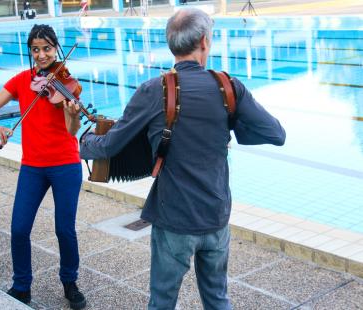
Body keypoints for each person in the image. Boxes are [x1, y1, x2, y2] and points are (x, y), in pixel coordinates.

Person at [78, 8, 285, 310]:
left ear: (171, 43)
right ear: (204, 41)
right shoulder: (228, 87)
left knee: (162, 301)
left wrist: (82, 141)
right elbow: (276, 133)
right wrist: (232, 125)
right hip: (215, 217)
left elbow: (109, 146)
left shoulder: (153, 90)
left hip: (173, 219)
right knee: (217, 299)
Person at [0, 24, 86, 310]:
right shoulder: (21, 81)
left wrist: (72, 112)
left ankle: (70, 282)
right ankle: (22, 286)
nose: (41, 55)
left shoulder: (67, 84)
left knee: (65, 229)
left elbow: (72, 130)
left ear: (56, 49)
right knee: (19, 228)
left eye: (47, 49)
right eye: (35, 49)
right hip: (33, 167)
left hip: (65, 164)